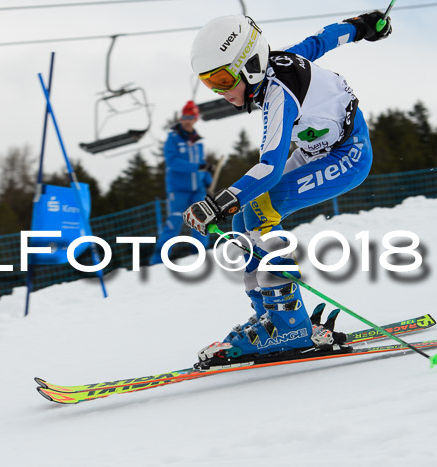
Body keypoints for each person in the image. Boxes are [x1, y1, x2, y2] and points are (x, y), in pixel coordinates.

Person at [182, 11, 392, 368]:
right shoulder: (275, 66)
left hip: (348, 155)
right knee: (244, 219)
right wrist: (362, 26)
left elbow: (270, 168)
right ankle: (272, 317)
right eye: (208, 83)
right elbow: (322, 40)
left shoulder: (280, 94)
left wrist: (217, 204)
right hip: (317, 151)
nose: (218, 91)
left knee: (262, 212)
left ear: (249, 66)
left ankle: (290, 326)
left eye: (221, 79)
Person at [150, 100, 212, 265]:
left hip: (197, 188)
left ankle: (201, 254)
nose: (187, 120)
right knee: (174, 222)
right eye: (184, 117)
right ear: (180, 118)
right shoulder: (173, 138)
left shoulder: (197, 141)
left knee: (201, 221)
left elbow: (201, 163)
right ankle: (159, 259)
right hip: (178, 189)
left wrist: (206, 178)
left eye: (190, 117)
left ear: (195, 119)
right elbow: (173, 162)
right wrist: (197, 167)